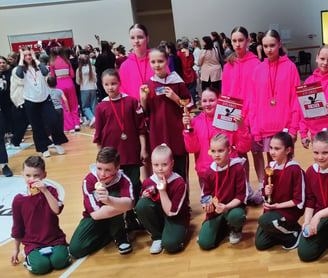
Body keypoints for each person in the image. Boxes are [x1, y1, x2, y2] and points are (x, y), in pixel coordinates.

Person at [94, 68, 148, 230]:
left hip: (131, 152)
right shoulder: (101, 107)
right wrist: (100, 158)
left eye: (113, 83)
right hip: (111, 158)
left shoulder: (132, 102)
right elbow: (98, 136)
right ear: (102, 86)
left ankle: (135, 216)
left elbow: (141, 129)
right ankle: (123, 219)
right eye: (106, 84)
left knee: (133, 184)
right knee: (117, 188)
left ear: (120, 83)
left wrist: (143, 149)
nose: (110, 87)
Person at [222, 26, 263, 201]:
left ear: (247, 41)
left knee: (256, 151)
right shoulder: (228, 65)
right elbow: (225, 92)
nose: (237, 44)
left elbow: (259, 92)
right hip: (233, 115)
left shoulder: (256, 64)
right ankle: (245, 187)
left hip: (252, 115)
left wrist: (252, 113)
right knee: (239, 153)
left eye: (241, 40)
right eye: (234, 41)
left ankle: (262, 186)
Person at [69, 147, 134, 258]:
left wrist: (109, 200)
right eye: (99, 168)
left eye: (107, 170)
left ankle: (120, 234)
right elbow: (96, 214)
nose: (102, 174)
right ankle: (109, 234)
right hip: (94, 217)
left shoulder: (124, 179)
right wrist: (122, 206)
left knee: (114, 196)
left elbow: (130, 204)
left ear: (117, 168)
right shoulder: (89, 180)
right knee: (76, 249)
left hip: (115, 216)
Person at [11, 156, 71, 274]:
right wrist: (16, 249)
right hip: (33, 243)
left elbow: (56, 210)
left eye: (36, 175)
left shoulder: (51, 191)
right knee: (41, 267)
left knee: (60, 262)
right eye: (28, 176)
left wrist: (45, 191)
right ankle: (29, 257)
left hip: (54, 239)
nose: (32, 179)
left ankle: (62, 251)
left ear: (44, 175)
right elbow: (17, 227)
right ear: (22, 175)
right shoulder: (19, 199)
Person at [182, 87, 252, 189]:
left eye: (211, 100)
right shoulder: (195, 122)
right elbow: (192, 149)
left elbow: (244, 148)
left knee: (231, 204)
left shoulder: (229, 119)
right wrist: (188, 130)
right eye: (204, 101)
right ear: (200, 102)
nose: (208, 104)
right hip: (206, 173)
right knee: (209, 204)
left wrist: (241, 127)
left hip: (229, 171)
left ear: (219, 101)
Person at [140, 48, 191, 181]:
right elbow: (144, 112)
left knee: (179, 166)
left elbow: (189, 105)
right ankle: (162, 199)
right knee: (160, 167)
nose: (157, 65)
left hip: (176, 133)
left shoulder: (177, 82)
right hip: (157, 133)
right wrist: (143, 99)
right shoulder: (148, 84)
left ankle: (183, 200)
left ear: (167, 62)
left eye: (160, 61)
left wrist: (175, 98)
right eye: (153, 62)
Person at [249, 29, 300, 164]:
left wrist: (293, 128)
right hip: (265, 128)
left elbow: (295, 99)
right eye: (265, 46)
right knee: (271, 167)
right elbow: (253, 102)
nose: (269, 49)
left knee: (286, 167)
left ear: (279, 44)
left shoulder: (290, 67)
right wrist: (255, 130)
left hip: (285, 128)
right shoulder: (258, 70)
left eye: (272, 45)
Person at [135, 144, 190, 254]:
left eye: (164, 164)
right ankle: (157, 237)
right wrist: (145, 196)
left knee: (170, 245)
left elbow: (171, 212)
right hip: (159, 216)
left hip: (176, 218)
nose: (160, 169)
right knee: (141, 205)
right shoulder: (148, 182)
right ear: (151, 165)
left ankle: (175, 235)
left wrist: (162, 191)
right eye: (156, 165)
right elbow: (142, 208)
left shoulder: (179, 182)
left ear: (172, 164)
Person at [255, 132, 305, 251]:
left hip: (289, 210)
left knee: (263, 221)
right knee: (260, 244)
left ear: (288, 150)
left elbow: (299, 201)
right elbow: (265, 196)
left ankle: (294, 233)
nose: (272, 152)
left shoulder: (295, 169)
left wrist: (278, 206)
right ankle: (280, 230)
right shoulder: (270, 167)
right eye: (271, 148)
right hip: (274, 209)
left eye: (277, 149)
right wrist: (266, 193)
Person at [197, 134, 247, 249]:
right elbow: (206, 194)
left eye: (220, 151)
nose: (216, 155)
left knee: (237, 216)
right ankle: (224, 228)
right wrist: (207, 204)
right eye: (213, 151)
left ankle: (235, 229)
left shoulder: (238, 168)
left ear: (229, 150)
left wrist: (226, 207)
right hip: (216, 210)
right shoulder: (210, 171)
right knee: (205, 244)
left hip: (233, 208)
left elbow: (241, 196)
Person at [16, 47, 68, 157]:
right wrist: (21, 58)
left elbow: (45, 72)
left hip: (45, 98)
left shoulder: (39, 66)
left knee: (53, 120)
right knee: (37, 126)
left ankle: (57, 143)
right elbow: (19, 74)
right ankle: (43, 148)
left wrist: (35, 59)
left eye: (30, 55)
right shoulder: (21, 68)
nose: (28, 57)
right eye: (26, 55)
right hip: (30, 100)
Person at [298, 130, 328, 261]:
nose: (320, 157)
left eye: (325, 153)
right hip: (321, 218)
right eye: (316, 152)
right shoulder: (310, 172)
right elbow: (310, 200)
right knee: (305, 253)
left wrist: (318, 215)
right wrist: (307, 221)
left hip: (321, 216)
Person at [299, 45, 328, 148]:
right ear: (316, 58)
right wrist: (303, 133)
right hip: (316, 135)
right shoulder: (309, 82)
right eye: (322, 59)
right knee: (320, 162)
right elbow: (304, 111)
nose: (325, 63)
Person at [119, 24, 155, 101]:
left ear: (147, 38)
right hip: (135, 109)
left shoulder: (157, 60)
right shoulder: (124, 66)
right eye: (132, 38)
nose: (136, 41)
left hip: (158, 108)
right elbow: (122, 91)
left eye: (140, 37)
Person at [49, 47, 80, 132]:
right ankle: (77, 124)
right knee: (73, 104)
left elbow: (52, 76)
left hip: (59, 84)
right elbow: (73, 75)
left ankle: (69, 126)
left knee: (63, 105)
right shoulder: (67, 61)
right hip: (69, 83)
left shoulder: (52, 63)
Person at [76, 53, 97, 127]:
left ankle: (92, 117)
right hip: (93, 88)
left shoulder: (79, 70)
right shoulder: (92, 67)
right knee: (94, 105)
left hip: (84, 89)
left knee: (85, 106)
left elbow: (78, 82)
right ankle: (96, 119)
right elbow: (95, 79)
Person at [177, 40, 198, 106]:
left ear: (182, 45)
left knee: (185, 91)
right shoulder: (191, 53)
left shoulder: (179, 54)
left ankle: (186, 104)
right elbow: (192, 63)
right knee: (192, 90)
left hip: (183, 74)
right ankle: (193, 103)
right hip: (191, 74)